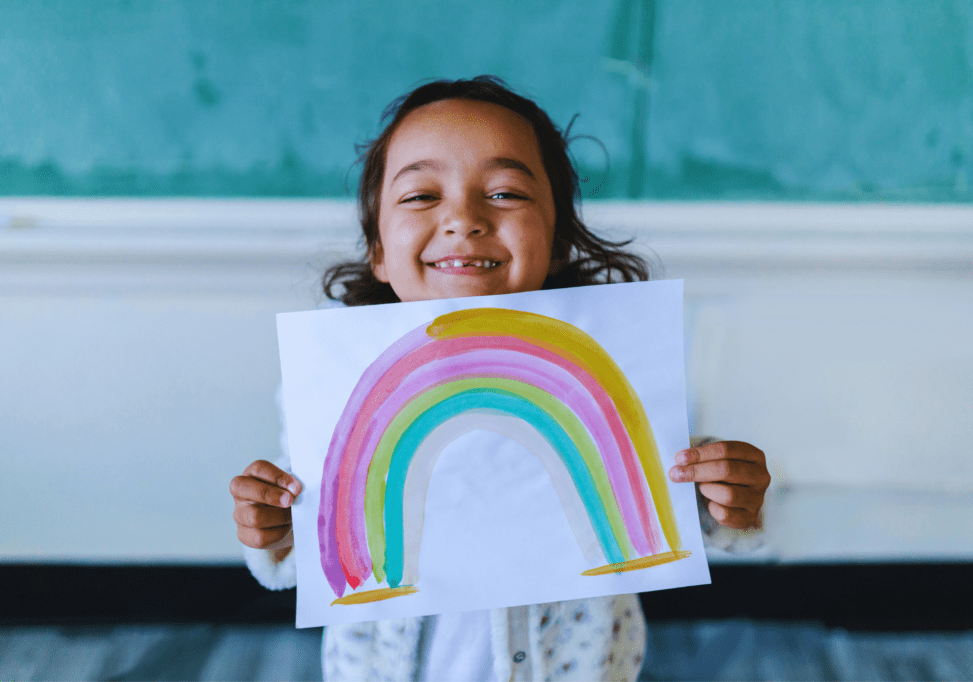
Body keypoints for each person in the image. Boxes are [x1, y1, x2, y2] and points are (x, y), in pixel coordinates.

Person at [230, 76, 770, 682]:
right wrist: (273, 527)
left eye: (506, 192)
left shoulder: (615, 367)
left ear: (559, 237)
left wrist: (722, 497)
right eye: (419, 196)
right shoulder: (337, 378)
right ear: (379, 250)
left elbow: (656, 504)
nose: (463, 217)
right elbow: (317, 535)